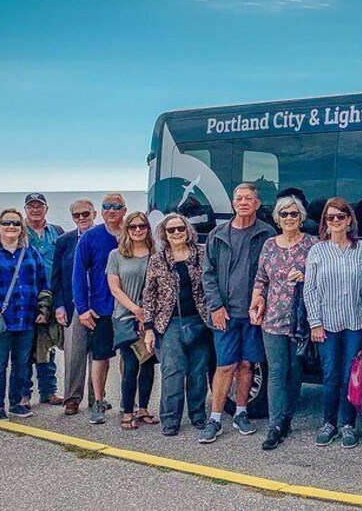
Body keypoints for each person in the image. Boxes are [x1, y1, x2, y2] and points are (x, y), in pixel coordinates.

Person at [200, 183, 275, 443]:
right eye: (239, 198)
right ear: (233, 204)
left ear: (257, 204)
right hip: (225, 313)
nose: (243, 202)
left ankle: (241, 413)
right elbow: (207, 274)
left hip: (253, 313)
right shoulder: (217, 235)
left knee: (247, 364)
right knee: (224, 366)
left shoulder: (267, 234)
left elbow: (270, 273)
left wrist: (263, 302)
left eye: (249, 199)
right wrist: (215, 306)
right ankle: (215, 419)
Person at [250, 196, 318, 450]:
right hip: (273, 319)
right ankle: (275, 425)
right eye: (284, 214)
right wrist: (255, 303)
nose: (289, 218)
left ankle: (287, 418)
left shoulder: (312, 245)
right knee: (277, 371)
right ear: (277, 218)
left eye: (294, 214)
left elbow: (324, 276)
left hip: (300, 319)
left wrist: (307, 274)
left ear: (301, 217)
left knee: (295, 371)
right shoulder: (269, 245)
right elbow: (260, 279)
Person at [0, 208, 48, 419]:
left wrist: (43, 310)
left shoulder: (31, 253)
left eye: (15, 223)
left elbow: (43, 285)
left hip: (26, 320)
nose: (11, 227)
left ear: (22, 228)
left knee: (21, 364)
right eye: (6, 223)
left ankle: (15, 403)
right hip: (0, 321)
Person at [303, 197, 362, 449]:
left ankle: (348, 424)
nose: (336, 222)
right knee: (330, 375)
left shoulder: (360, 249)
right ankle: (328, 423)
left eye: (340, 217)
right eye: (330, 218)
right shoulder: (317, 251)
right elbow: (310, 290)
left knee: (349, 375)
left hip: (355, 321)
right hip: (327, 323)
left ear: (349, 219)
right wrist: (314, 322)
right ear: (325, 222)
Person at [144, 213, 211, 436]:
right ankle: (170, 419)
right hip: (169, 323)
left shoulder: (202, 254)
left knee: (198, 373)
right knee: (172, 372)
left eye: (180, 229)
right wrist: (148, 327)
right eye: (171, 230)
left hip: (199, 321)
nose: (176, 233)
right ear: (164, 233)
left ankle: (198, 415)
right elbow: (149, 294)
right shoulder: (157, 259)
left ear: (187, 230)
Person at [73, 192, 127, 425]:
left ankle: (129, 401)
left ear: (124, 210)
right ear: (101, 211)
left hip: (128, 309)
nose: (112, 210)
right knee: (100, 357)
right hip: (101, 308)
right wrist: (83, 308)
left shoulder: (134, 233)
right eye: (107, 206)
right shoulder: (90, 238)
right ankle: (98, 401)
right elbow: (77, 275)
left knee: (130, 357)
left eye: (117, 206)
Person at [107, 211, 159, 430]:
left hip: (151, 318)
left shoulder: (156, 254)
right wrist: (136, 309)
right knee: (130, 365)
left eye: (142, 226)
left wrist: (147, 313)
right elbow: (114, 288)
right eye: (133, 227)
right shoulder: (116, 255)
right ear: (127, 229)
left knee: (147, 364)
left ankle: (143, 408)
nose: (138, 230)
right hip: (126, 316)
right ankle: (127, 410)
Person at [53, 199, 97, 415]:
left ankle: (96, 398)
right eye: (77, 215)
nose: (81, 218)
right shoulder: (64, 241)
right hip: (73, 305)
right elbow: (57, 277)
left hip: (98, 304)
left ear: (94, 214)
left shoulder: (103, 237)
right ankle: (72, 398)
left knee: (98, 355)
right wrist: (59, 305)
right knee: (74, 354)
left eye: (85, 214)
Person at [22, 192, 64, 408]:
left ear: (46, 208)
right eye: (31, 206)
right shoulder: (19, 233)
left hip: (53, 295)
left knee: (49, 345)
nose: (35, 209)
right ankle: (24, 394)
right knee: (25, 347)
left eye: (39, 206)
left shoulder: (56, 232)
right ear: (25, 209)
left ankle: (49, 391)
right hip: (27, 298)